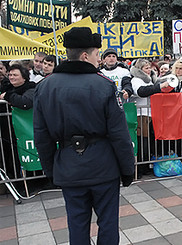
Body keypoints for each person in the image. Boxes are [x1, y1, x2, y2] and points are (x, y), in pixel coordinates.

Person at [33, 27, 135, 244]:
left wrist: (51, 171)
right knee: (108, 223)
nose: (99, 59)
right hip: (103, 167)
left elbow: (42, 136)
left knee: (77, 225)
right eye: (97, 54)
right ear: (85, 56)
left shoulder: (45, 87)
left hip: (69, 166)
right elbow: (119, 134)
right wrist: (127, 170)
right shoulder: (104, 85)